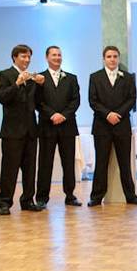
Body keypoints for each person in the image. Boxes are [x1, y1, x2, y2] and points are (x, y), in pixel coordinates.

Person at [88, 45, 137, 207]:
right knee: (101, 162)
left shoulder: (128, 77)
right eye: (109, 56)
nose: (112, 59)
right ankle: (96, 196)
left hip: (122, 125)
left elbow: (132, 99)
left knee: (124, 162)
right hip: (101, 126)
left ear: (118, 59)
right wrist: (107, 114)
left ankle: (131, 195)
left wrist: (117, 114)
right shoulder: (95, 77)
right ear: (104, 59)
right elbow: (93, 100)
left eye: (115, 56)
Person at [0, 44, 44, 215]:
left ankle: (28, 200)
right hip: (12, 131)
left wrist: (40, 84)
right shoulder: (4, 75)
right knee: (9, 168)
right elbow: (3, 97)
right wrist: (17, 83)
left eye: (29, 57)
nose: (27, 60)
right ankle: (5, 202)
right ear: (15, 57)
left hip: (31, 130)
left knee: (30, 169)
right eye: (23, 56)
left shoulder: (32, 77)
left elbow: (37, 102)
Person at [36, 45, 81, 207]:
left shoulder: (71, 78)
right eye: (54, 55)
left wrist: (63, 115)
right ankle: (41, 198)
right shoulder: (39, 78)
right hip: (47, 126)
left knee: (68, 163)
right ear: (47, 57)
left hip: (67, 126)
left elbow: (75, 100)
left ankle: (70, 195)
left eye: (59, 55)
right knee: (44, 163)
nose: (57, 57)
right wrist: (52, 114)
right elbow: (37, 102)